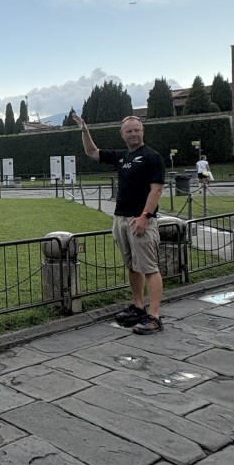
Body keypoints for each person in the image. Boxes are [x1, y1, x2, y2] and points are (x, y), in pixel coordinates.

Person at [73, 113, 165, 334]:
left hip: (140, 220)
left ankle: (154, 316)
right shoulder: (122, 156)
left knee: (150, 268)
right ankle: (138, 307)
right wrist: (85, 130)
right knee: (133, 266)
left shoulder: (152, 156)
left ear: (142, 131)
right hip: (121, 218)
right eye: (129, 130)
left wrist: (145, 216)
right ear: (122, 134)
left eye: (137, 130)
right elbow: (92, 152)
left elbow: (157, 189)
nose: (133, 133)